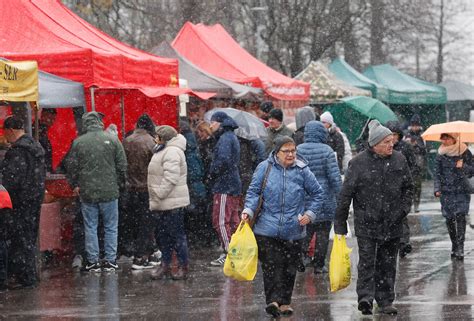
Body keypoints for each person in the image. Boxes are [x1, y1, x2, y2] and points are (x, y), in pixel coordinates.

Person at [334, 120, 413, 316]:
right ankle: (365, 299)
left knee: (387, 263)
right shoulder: (358, 163)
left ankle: (386, 300)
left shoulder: (399, 160)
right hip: (366, 222)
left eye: (392, 141)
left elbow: (408, 188)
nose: (391, 144)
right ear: (374, 144)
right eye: (386, 141)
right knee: (368, 261)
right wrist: (340, 223)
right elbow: (346, 195)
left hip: (393, 221)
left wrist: (403, 210)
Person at [241, 136, 323, 317]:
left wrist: (309, 214)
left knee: (289, 267)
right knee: (271, 266)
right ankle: (272, 301)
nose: (291, 154)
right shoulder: (265, 168)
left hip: (293, 229)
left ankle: (285, 302)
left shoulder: (303, 171)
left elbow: (317, 194)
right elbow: (254, 191)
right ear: (276, 152)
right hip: (266, 228)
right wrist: (249, 210)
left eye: (293, 150)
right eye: (286, 151)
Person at [66, 111, 127, 273]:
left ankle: (93, 261)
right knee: (111, 226)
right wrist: (119, 184)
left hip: (87, 191)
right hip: (109, 190)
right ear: (100, 122)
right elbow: (122, 165)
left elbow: (71, 167)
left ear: (85, 124)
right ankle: (110, 260)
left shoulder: (78, 143)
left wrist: (75, 184)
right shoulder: (113, 140)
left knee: (90, 226)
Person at [2, 115, 46, 288]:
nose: (5, 137)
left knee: (20, 240)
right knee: (29, 238)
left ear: (11, 131)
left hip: (20, 202)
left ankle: (25, 278)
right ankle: (29, 276)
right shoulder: (36, 147)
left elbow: (12, 179)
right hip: (34, 200)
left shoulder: (18, 151)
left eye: (5, 133)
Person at [297, 121, 342, 274]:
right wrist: (341, 197)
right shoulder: (327, 151)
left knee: (306, 230)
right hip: (325, 198)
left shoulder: (298, 150)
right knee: (323, 232)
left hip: (305, 198)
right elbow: (334, 178)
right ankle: (319, 265)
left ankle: (300, 258)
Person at [149, 126, 190, 280]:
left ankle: (182, 266)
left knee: (176, 236)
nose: (154, 138)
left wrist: (158, 194)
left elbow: (171, 178)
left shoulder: (171, 151)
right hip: (165, 202)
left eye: (157, 136)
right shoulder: (164, 149)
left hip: (171, 202)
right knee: (164, 235)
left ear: (163, 138)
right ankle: (165, 264)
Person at [122, 114, 158, 270]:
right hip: (146, 188)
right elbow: (156, 166)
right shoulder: (151, 142)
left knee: (135, 222)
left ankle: (142, 253)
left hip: (130, 189)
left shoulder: (127, 141)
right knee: (146, 223)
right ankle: (141, 256)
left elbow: (122, 164)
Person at [208, 112, 242, 266]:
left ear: (220, 123)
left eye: (212, 122)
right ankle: (235, 251)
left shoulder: (225, 139)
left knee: (220, 221)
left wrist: (211, 173)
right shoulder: (230, 137)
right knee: (233, 221)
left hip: (224, 185)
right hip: (233, 184)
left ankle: (230, 254)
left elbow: (222, 161)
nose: (210, 125)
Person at [434, 133, 474, 261]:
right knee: (449, 218)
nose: (444, 141)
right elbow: (437, 174)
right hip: (447, 191)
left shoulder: (465, 151)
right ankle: (454, 244)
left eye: (447, 138)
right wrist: (437, 189)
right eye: (443, 138)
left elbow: (472, 170)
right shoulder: (440, 154)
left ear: (453, 139)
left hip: (462, 190)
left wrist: (463, 166)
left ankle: (461, 247)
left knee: (461, 216)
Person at [386, 120, 418, 258]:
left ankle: (404, 242)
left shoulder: (405, 148)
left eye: (395, 134)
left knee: (402, 215)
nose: (393, 137)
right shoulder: (383, 147)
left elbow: (413, 165)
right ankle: (393, 240)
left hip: (401, 187)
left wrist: (407, 179)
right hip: (386, 188)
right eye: (390, 134)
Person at [404, 114, 426, 212]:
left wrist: (417, 145)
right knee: (407, 185)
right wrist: (408, 144)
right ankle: (408, 204)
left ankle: (416, 204)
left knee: (417, 186)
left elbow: (425, 150)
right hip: (407, 164)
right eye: (413, 125)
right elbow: (402, 148)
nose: (414, 127)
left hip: (418, 164)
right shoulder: (406, 134)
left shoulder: (423, 135)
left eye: (416, 125)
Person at [36, 108, 57, 173]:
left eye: (54, 119)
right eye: (50, 118)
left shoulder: (42, 131)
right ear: (43, 115)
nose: (52, 122)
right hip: (40, 170)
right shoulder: (37, 132)